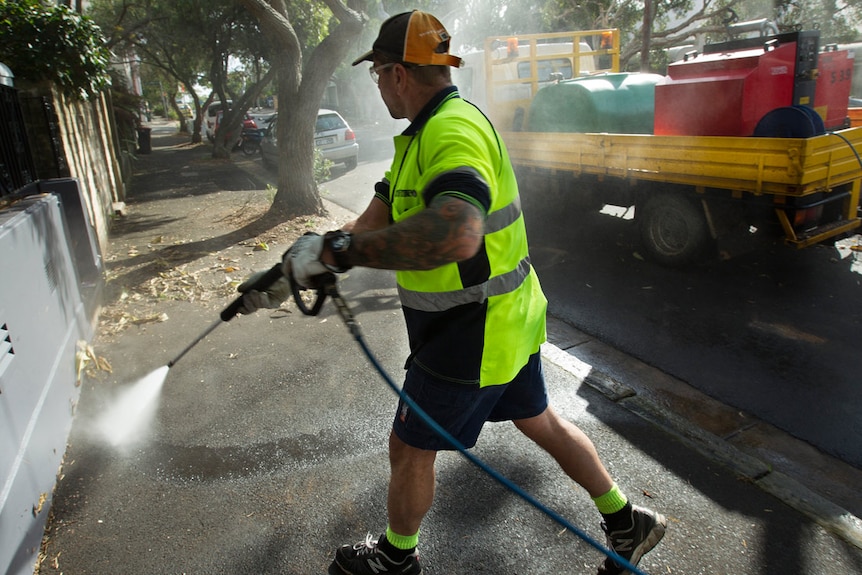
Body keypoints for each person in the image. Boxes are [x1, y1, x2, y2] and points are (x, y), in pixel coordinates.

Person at [239, 10, 666, 575]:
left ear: (396, 73)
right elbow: (380, 213)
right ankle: (625, 519)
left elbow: (457, 232)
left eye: (377, 75)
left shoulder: (451, 130)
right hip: (505, 322)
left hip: (469, 332)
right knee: (539, 419)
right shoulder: (422, 135)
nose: (378, 85)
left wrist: (337, 256)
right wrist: (306, 259)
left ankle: (396, 559)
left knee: (409, 447)